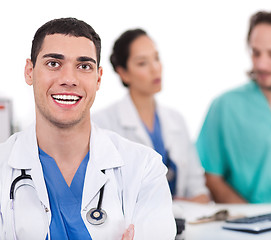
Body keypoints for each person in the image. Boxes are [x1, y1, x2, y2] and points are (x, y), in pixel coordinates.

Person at [0, 18, 176, 240]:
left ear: (99, 78)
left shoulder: (144, 170)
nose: (69, 79)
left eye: (84, 66)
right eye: (54, 63)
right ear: (29, 71)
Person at [196, 9, 271, 204]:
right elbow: (211, 176)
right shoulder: (224, 106)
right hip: (244, 225)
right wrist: (251, 220)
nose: (262, 64)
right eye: (256, 53)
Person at [92, 29, 210, 203]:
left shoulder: (176, 120)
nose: (155, 68)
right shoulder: (102, 124)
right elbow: (103, 197)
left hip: (181, 223)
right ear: (123, 72)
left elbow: (199, 192)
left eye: (156, 58)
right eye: (142, 63)